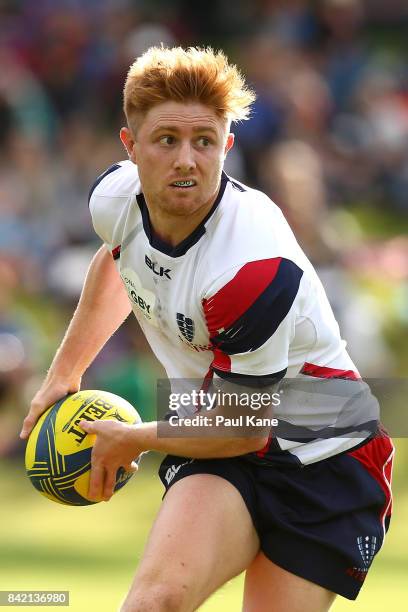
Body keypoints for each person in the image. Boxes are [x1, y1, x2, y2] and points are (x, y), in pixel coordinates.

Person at [20, 46, 394, 612]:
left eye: (205, 142)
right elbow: (120, 261)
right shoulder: (115, 199)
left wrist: (134, 437)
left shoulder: (252, 269)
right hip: (223, 434)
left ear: (228, 145)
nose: (187, 161)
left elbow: (245, 427)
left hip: (325, 454)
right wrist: (64, 373)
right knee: (155, 603)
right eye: (166, 140)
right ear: (131, 146)